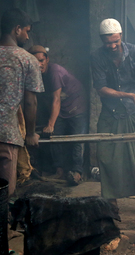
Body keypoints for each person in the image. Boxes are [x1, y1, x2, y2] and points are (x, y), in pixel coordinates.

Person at [90, 19, 135, 204]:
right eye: (107, 42)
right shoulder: (96, 56)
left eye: (115, 41)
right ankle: (112, 201)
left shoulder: (134, 51)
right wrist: (127, 95)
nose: (112, 46)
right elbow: (101, 88)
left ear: (121, 37)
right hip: (111, 111)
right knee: (106, 155)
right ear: (102, 41)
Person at [28, 45, 88, 186]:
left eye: (42, 60)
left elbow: (56, 99)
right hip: (61, 108)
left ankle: (77, 173)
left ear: (47, 59)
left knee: (78, 139)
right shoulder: (37, 75)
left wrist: (50, 124)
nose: (39, 64)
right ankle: (59, 170)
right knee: (55, 138)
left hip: (77, 106)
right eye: (35, 61)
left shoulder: (54, 71)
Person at [0, 8, 44, 196]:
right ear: (17, 29)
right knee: (4, 190)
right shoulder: (26, 60)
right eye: (26, 30)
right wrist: (31, 134)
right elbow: (30, 102)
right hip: (7, 134)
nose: (27, 36)